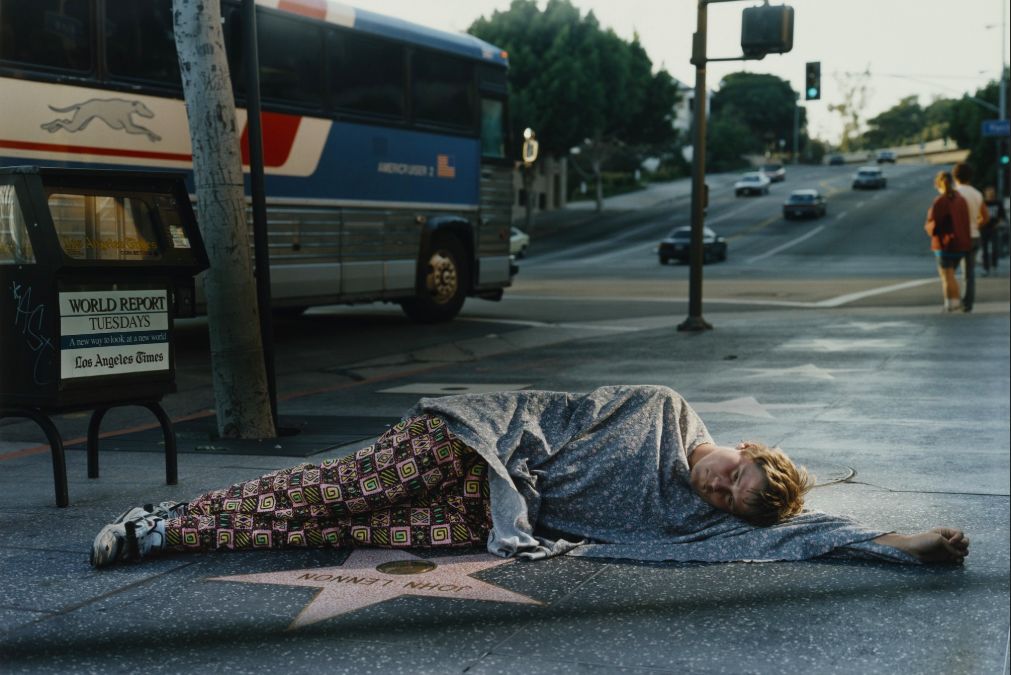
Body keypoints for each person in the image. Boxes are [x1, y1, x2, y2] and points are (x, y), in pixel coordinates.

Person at [90, 386, 969, 569]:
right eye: (728, 474)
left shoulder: (697, 518)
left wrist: (903, 543)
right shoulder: (660, 408)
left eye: (723, 500)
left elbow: (805, 536)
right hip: (470, 448)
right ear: (740, 445)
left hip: (489, 523)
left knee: (328, 530)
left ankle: (169, 532)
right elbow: (542, 407)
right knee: (329, 490)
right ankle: (167, 510)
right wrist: (492, 451)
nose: (711, 488)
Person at [925, 171, 973, 312]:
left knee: (946, 276)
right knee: (951, 275)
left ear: (938, 184)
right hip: (961, 243)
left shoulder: (940, 201)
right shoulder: (960, 199)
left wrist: (928, 226)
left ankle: (950, 303)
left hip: (944, 244)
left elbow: (934, 223)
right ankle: (955, 302)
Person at [952, 163, 988, 311]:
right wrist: (976, 225)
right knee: (969, 272)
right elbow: (985, 217)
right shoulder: (977, 194)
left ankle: (952, 301)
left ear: (955, 177)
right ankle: (968, 304)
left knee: (949, 271)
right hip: (974, 236)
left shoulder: (953, 194)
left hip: (957, 237)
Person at [981, 186, 1007, 275]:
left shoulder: (998, 203)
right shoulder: (983, 203)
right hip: (984, 228)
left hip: (994, 228)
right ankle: (985, 268)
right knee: (984, 249)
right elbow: (978, 215)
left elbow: (1002, 216)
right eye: (989, 193)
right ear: (986, 194)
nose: (991, 195)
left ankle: (994, 266)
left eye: (992, 193)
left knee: (995, 248)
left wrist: (997, 224)